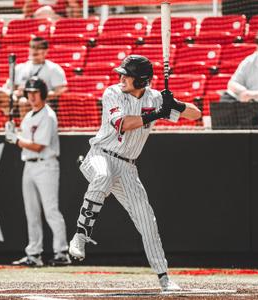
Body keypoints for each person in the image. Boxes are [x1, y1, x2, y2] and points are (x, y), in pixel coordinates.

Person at [67, 55, 201, 291]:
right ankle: (80, 235)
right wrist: (157, 114)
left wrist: (176, 105)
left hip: (128, 166)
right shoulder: (112, 93)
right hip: (100, 154)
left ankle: (164, 278)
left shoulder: (155, 98)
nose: (121, 77)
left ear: (141, 80)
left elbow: (196, 114)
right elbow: (122, 124)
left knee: (147, 220)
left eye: (126, 75)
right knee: (103, 177)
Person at [5, 77, 70, 267]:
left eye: (35, 92)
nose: (32, 96)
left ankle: (62, 252)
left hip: (45, 165)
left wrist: (14, 139)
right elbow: (26, 141)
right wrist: (14, 131)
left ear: (42, 93)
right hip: (29, 165)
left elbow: (39, 146)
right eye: (29, 93)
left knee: (50, 210)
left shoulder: (48, 116)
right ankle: (34, 254)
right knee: (31, 212)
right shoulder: (29, 116)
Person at [0, 37, 67, 129]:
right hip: (17, 99)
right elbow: (10, 87)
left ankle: (24, 132)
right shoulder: (21, 67)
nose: (34, 50)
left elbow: (60, 91)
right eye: (32, 47)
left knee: (24, 102)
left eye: (38, 48)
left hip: (40, 101)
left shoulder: (53, 69)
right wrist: (16, 92)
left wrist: (37, 94)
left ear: (45, 51)